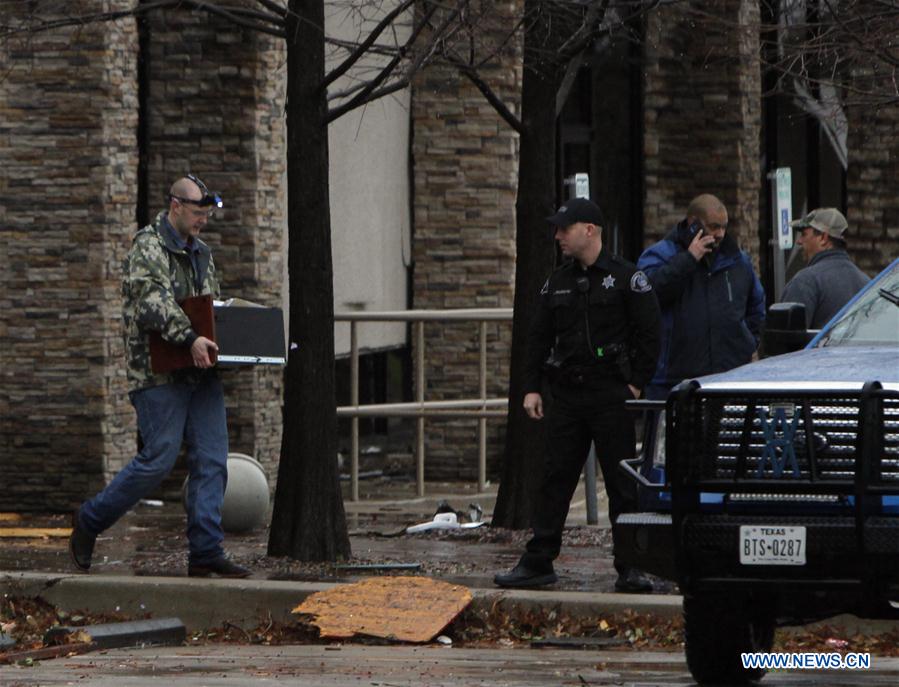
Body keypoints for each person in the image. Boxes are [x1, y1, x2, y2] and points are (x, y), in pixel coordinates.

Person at [69, 175, 250, 578]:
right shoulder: (147, 247)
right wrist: (190, 338)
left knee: (212, 459)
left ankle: (205, 550)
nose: (203, 222)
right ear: (175, 207)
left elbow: (210, 306)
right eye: (198, 214)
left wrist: (227, 340)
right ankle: (90, 521)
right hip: (158, 373)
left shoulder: (201, 252)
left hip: (199, 373)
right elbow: (152, 301)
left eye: (206, 215)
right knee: (158, 459)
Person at [494, 198, 661, 593]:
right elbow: (537, 338)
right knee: (555, 479)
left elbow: (650, 335)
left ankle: (631, 565)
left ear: (589, 230)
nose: (557, 236)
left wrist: (635, 384)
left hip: (610, 393)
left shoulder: (625, 278)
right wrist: (532, 387)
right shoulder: (557, 282)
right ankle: (538, 561)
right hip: (567, 394)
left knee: (622, 483)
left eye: (564, 229)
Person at [637, 194, 765, 400]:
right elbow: (648, 296)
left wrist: (747, 342)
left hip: (730, 376)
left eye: (724, 227)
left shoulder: (738, 261)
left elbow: (756, 306)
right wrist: (689, 260)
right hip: (673, 379)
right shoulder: (660, 255)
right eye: (714, 226)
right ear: (693, 224)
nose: (720, 234)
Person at [782, 207, 869, 328]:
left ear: (823, 238)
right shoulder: (867, 283)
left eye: (804, 234)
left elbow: (786, 339)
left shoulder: (806, 281)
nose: (799, 241)